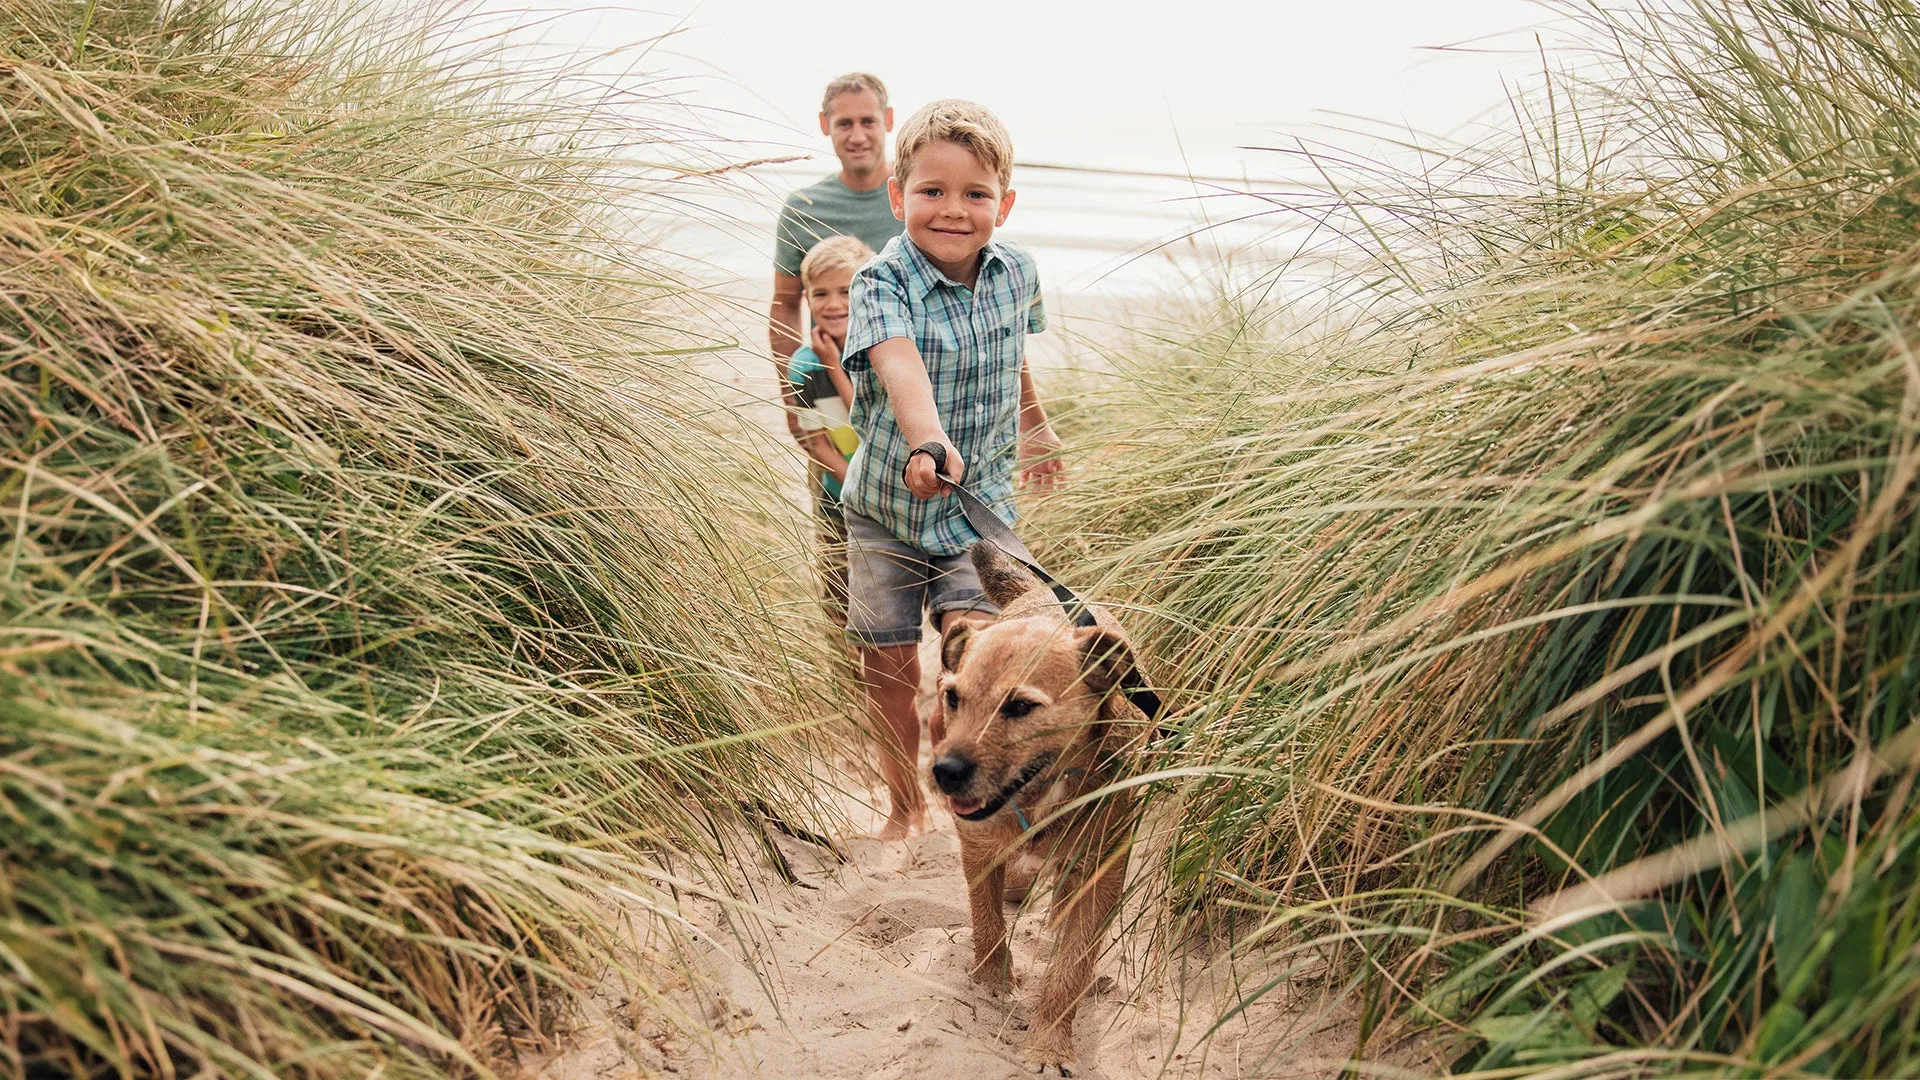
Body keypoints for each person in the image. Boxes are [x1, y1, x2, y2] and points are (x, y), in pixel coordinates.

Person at [838, 99, 1064, 839]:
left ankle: (984, 782)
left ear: (1005, 203)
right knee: (891, 662)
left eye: (976, 194)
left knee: (982, 646)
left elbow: (1012, 356)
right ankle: (904, 806)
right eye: (932, 192)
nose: (953, 211)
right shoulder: (880, 282)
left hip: (980, 507)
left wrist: (1034, 423)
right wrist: (927, 440)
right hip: (887, 509)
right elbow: (899, 365)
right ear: (899, 196)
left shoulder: (1018, 271)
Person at [769, 73, 903, 408]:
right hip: (828, 391)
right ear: (824, 124)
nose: (857, 136)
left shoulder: (915, 199)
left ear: (888, 120)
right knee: (833, 462)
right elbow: (785, 304)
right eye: (845, 124)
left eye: (868, 121)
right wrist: (793, 394)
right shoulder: (803, 208)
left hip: (907, 388)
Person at [785, 235, 872, 627]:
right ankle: (846, 680)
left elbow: (868, 422)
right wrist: (852, 481)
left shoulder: (883, 351)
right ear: (807, 299)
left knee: (886, 594)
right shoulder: (804, 365)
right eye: (820, 294)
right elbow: (815, 441)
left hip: (890, 489)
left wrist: (835, 364)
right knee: (839, 589)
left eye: (846, 291)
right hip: (837, 491)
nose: (834, 304)